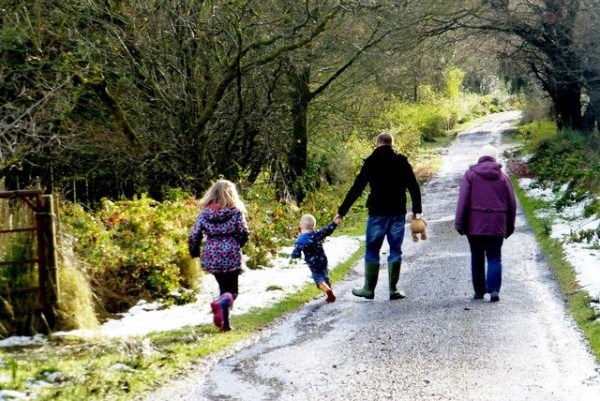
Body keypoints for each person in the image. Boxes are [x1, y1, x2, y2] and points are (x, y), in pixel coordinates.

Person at [335, 132, 422, 300]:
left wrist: (341, 212)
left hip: (377, 213)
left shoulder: (371, 162)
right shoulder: (401, 161)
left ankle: (368, 289)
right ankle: (393, 289)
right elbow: (413, 187)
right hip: (397, 212)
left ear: (377, 144)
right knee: (395, 250)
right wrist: (417, 212)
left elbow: (357, 188)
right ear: (392, 144)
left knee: (372, 250)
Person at [455, 144, 517, 302]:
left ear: (480, 157)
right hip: (497, 223)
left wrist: (459, 223)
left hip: (474, 224)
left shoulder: (470, 175)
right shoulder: (503, 177)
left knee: (477, 257)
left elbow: (463, 201)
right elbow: (511, 203)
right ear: (495, 157)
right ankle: (494, 290)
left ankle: (479, 292)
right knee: (495, 256)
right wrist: (509, 226)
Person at [188, 179, 249, 331]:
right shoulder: (235, 212)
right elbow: (243, 231)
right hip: (230, 252)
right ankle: (221, 311)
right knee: (232, 292)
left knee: (223, 288)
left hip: (211, 253)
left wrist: (194, 251)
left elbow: (194, 234)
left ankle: (225, 325)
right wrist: (238, 244)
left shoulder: (205, 213)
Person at [291, 214, 342, 303]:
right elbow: (328, 230)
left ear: (300, 227)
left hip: (313, 265)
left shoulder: (300, 240)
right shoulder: (317, 234)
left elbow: (296, 252)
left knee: (319, 280)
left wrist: (295, 255)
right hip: (323, 260)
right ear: (314, 227)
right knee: (325, 276)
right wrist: (335, 222)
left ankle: (327, 290)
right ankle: (330, 293)